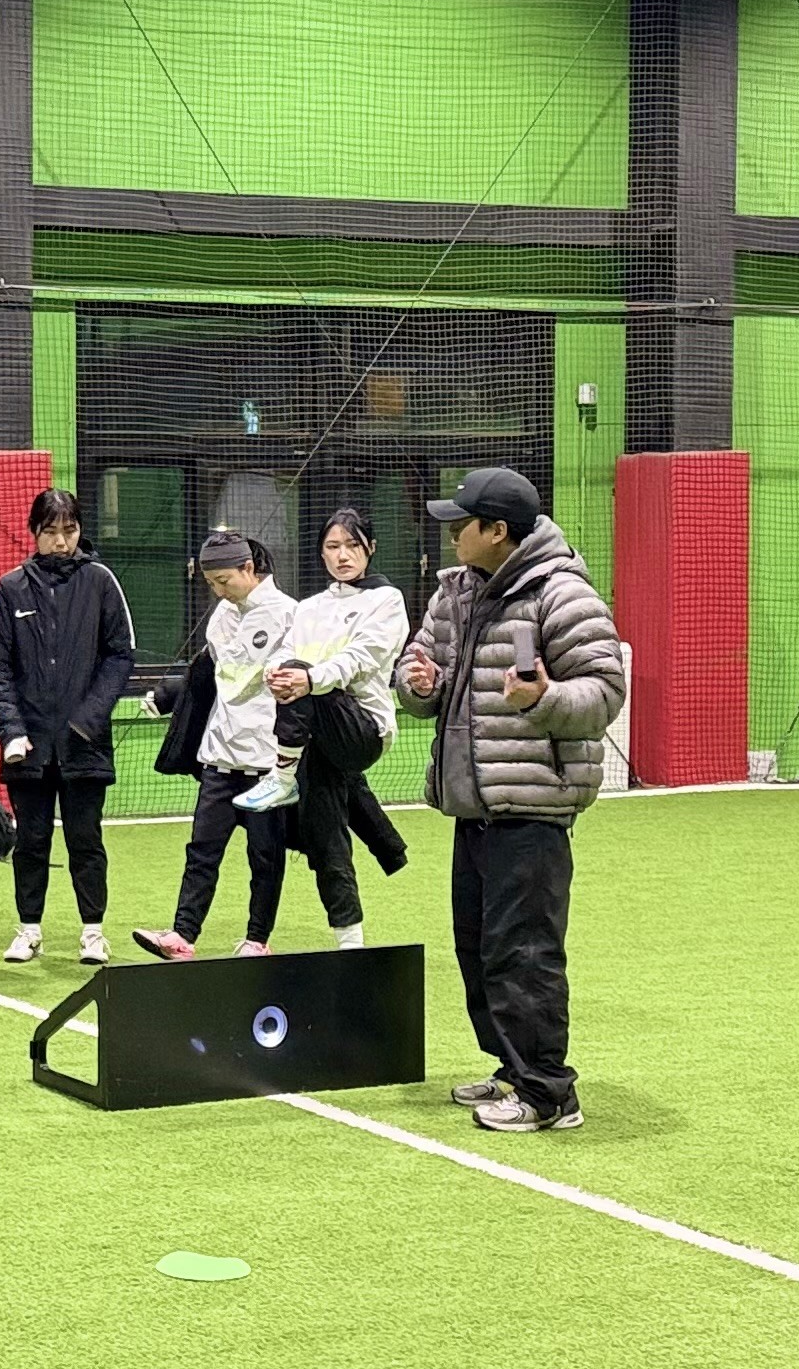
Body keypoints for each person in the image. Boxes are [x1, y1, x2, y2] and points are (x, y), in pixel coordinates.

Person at [401, 466, 626, 1135]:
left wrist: (545, 699)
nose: (452, 536)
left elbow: (605, 691)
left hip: (532, 806)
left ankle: (549, 1093)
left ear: (497, 532)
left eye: (462, 524)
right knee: (479, 946)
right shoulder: (456, 592)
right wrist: (420, 682)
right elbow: (421, 674)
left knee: (524, 950)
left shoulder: (562, 594)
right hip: (473, 803)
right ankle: (510, 1068)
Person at [238, 507, 416, 941]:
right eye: (333, 547)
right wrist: (276, 675)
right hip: (316, 734)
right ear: (321, 554)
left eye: (352, 545)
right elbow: (287, 651)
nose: (343, 555)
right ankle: (350, 941)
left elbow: (362, 659)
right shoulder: (311, 607)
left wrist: (307, 678)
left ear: (370, 548)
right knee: (326, 831)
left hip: (363, 728)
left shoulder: (387, 600)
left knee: (302, 674)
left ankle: (281, 775)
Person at [0, 488, 136, 966]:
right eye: (51, 532)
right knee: (29, 841)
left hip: (84, 747)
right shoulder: (10, 590)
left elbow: (120, 655)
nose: (62, 542)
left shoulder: (102, 582)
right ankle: (29, 930)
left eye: (69, 531)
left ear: (79, 531)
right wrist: (11, 731)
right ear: (35, 533)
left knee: (85, 840)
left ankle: (93, 933)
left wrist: (89, 719)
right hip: (27, 749)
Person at [135, 531, 299, 962]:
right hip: (220, 757)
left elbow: (238, 677)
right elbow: (221, 679)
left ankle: (256, 940)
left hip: (268, 762)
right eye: (211, 583)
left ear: (249, 569)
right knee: (201, 851)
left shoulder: (289, 615)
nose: (218, 590)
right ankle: (181, 936)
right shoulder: (222, 616)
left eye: (224, 580)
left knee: (265, 857)